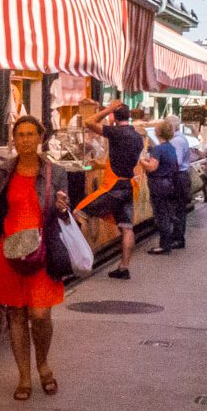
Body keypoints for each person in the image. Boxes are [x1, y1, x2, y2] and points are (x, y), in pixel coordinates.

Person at [0, 116, 68, 401]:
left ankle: (43, 363)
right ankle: (23, 375)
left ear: (40, 137)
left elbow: (64, 213)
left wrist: (62, 207)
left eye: (31, 134)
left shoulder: (56, 172)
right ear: (14, 139)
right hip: (8, 252)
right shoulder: (4, 171)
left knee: (40, 315)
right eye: (20, 135)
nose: (26, 139)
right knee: (16, 315)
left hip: (41, 252)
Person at [82, 101, 141, 279]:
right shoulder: (137, 137)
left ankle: (79, 259)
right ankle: (124, 267)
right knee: (127, 227)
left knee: (80, 212)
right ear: (129, 117)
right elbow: (122, 161)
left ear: (115, 117)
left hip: (114, 187)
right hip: (129, 186)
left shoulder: (115, 132)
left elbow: (89, 122)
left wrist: (107, 109)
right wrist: (100, 166)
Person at [142, 121, 186, 253]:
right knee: (167, 213)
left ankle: (164, 245)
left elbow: (152, 167)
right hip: (169, 183)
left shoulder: (158, 149)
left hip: (158, 184)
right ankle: (169, 242)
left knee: (161, 215)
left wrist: (141, 161)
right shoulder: (170, 147)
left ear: (158, 132)